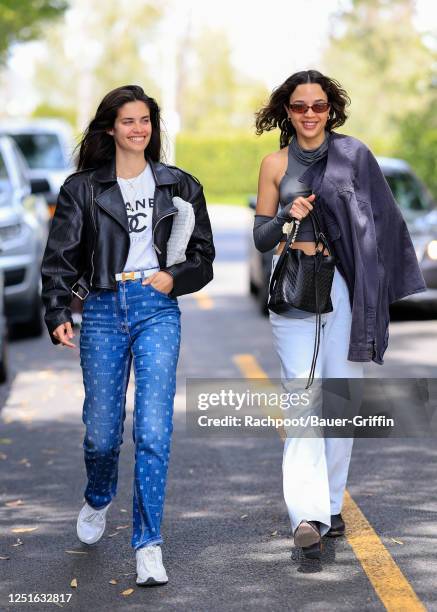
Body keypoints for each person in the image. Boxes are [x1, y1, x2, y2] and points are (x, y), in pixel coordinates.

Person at [41, 85, 215, 585]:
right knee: (101, 433)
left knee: (154, 432)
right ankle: (98, 496)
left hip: (156, 307)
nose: (139, 130)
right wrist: (58, 311)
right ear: (111, 129)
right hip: (99, 307)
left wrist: (173, 278)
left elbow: (202, 257)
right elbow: (59, 259)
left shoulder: (180, 185)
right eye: (129, 122)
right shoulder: (83, 188)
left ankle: (148, 545)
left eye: (146, 121)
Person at [253, 69, 425, 560]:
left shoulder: (355, 156)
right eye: (300, 106)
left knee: (341, 400)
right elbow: (261, 237)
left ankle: (329, 504)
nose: (310, 115)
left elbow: (384, 220)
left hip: (343, 289)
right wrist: (290, 216)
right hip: (293, 291)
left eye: (319, 106)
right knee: (301, 401)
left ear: (332, 109)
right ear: (286, 111)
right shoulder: (273, 163)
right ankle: (306, 516)